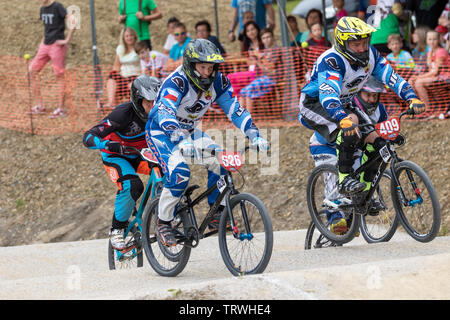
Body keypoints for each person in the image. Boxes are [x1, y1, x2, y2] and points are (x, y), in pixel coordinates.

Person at [298, 16, 426, 233]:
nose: (361, 48)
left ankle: (363, 194)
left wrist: (411, 97)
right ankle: (345, 178)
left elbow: (392, 77)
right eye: (355, 44)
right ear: (342, 42)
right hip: (315, 105)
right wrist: (342, 118)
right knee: (352, 123)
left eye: (364, 42)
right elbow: (329, 95)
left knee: (377, 141)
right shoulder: (332, 60)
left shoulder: (371, 56)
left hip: (344, 104)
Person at [145, 39, 269, 247]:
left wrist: (253, 134)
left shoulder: (218, 82)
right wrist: (179, 138)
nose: (206, 72)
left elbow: (235, 109)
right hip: (161, 132)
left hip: (190, 132)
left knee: (222, 161)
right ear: (190, 65)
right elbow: (165, 112)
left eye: (210, 67)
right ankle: (163, 222)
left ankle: (216, 211)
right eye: (202, 67)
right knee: (180, 173)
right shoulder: (176, 82)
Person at [83, 75, 162, 250]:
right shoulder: (122, 114)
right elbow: (88, 136)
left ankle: (163, 214)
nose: (152, 106)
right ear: (137, 99)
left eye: (155, 101)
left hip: (141, 155)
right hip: (117, 156)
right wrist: (107, 144)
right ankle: (117, 229)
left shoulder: (161, 112)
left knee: (168, 171)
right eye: (148, 102)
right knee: (132, 185)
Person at [308, 77, 393, 233]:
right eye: (368, 95)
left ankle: (353, 214)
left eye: (375, 96)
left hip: (353, 146)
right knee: (336, 171)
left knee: (364, 167)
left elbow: (382, 133)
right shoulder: (349, 106)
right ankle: (333, 215)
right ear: (359, 93)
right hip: (325, 145)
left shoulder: (380, 110)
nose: (372, 99)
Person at [29, 0, 76, 118]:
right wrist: (42, 43)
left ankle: (61, 108)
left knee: (59, 75)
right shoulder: (42, 9)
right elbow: (47, 28)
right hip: (45, 44)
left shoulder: (57, 6)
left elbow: (73, 20)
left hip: (57, 45)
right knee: (32, 71)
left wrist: (66, 40)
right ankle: (39, 105)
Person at [239, 28, 280, 112]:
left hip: (273, 79)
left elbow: (271, 69)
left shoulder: (276, 50)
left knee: (248, 91)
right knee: (243, 92)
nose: (267, 40)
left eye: (268, 37)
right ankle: (240, 118)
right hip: (265, 78)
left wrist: (260, 57)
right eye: (264, 38)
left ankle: (247, 118)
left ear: (273, 37)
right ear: (262, 40)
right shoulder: (265, 51)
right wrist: (257, 60)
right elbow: (264, 69)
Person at [409, 30, 450, 110]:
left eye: (434, 39)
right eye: (430, 39)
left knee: (418, 83)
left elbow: (435, 72)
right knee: (411, 81)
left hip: (444, 76)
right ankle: (417, 106)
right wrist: (417, 76)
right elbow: (431, 71)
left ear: (438, 40)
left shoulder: (441, 52)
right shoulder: (429, 53)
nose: (432, 42)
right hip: (436, 76)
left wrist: (419, 77)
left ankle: (427, 108)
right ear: (426, 40)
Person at [106, 27, 141, 108]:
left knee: (131, 86)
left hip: (135, 75)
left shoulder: (139, 47)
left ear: (134, 36)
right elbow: (116, 65)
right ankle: (110, 103)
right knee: (112, 78)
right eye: (127, 36)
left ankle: (133, 107)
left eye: (131, 35)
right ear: (123, 38)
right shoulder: (120, 48)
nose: (129, 38)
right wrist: (115, 75)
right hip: (123, 75)